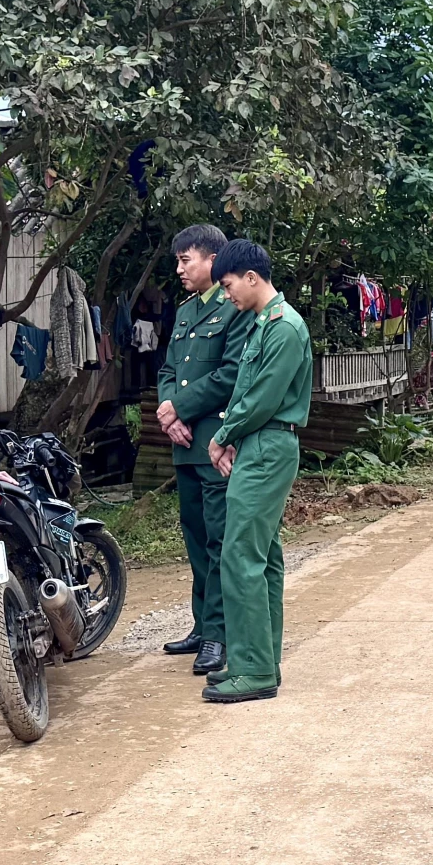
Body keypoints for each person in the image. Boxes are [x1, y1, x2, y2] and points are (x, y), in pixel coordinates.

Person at [202, 239, 313, 704]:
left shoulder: (283, 327)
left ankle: (254, 669)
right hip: (259, 443)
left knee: (240, 556)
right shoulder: (264, 324)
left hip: (268, 444)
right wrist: (234, 436)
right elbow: (249, 394)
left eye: (229, 285)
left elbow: (263, 397)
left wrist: (223, 434)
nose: (227, 294)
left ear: (251, 277)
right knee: (262, 556)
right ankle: (260, 661)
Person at [154, 223, 255, 679]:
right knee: (195, 537)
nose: (179, 269)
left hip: (216, 442)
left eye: (185, 260)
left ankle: (219, 633)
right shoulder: (186, 311)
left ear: (212, 260)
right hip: (184, 443)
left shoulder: (235, 309)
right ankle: (202, 625)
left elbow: (231, 374)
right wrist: (168, 411)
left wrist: (181, 407)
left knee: (218, 539)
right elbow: (169, 369)